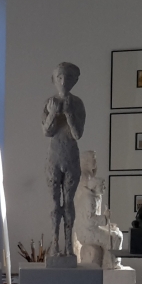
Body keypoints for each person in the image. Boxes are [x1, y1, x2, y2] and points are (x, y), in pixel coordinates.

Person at [42, 62, 86, 258]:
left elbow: (77, 134)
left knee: (68, 202)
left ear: (75, 81)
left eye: (68, 77)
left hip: (70, 156)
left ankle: (69, 246)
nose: (63, 81)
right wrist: (53, 113)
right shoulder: (49, 102)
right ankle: (55, 245)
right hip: (54, 157)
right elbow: (47, 131)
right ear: (53, 79)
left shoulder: (77, 103)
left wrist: (68, 113)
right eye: (59, 77)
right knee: (54, 203)